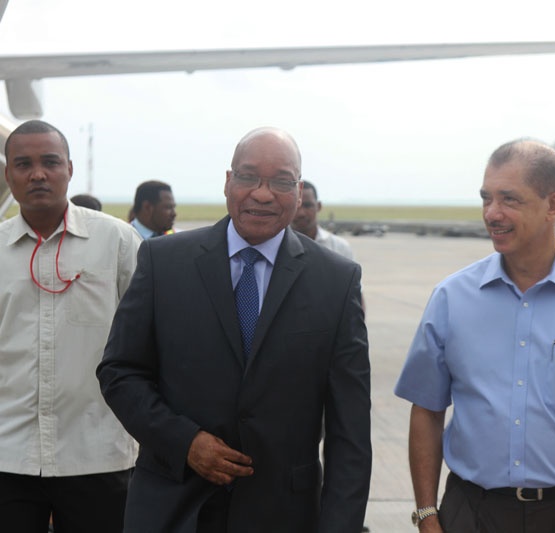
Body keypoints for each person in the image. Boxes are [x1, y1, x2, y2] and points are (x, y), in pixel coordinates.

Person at [97, 126, 371, 533]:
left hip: (283, 516)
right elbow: (119, 372)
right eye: (248, 177)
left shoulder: (336, 281)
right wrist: (185, 442)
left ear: (299, 193)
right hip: (173, 509)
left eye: (281, 181)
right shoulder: (162, 262)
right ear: (228, 182)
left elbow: (351, 432)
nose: (262, 194)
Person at [395, 139, 555, 533]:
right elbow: (427, 409)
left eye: (509, 199)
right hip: (472, 512)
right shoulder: (451, 297)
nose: (492, 214)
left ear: (553, 205)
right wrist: (427, 514)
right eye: (486, 198)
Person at [0, 120, 141, 533]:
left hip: (98, 452)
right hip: (9, 454)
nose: (37, 174)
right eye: (23, 164)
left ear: (69, 169)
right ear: (8, 174)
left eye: (50, 162)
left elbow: (152, 336)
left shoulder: (117, 241)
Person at [291, 180, 354, 260]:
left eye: (307, 206)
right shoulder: (277, 246)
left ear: (319, 206)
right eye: (296, 206)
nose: (301, 213)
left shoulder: (339, 247)